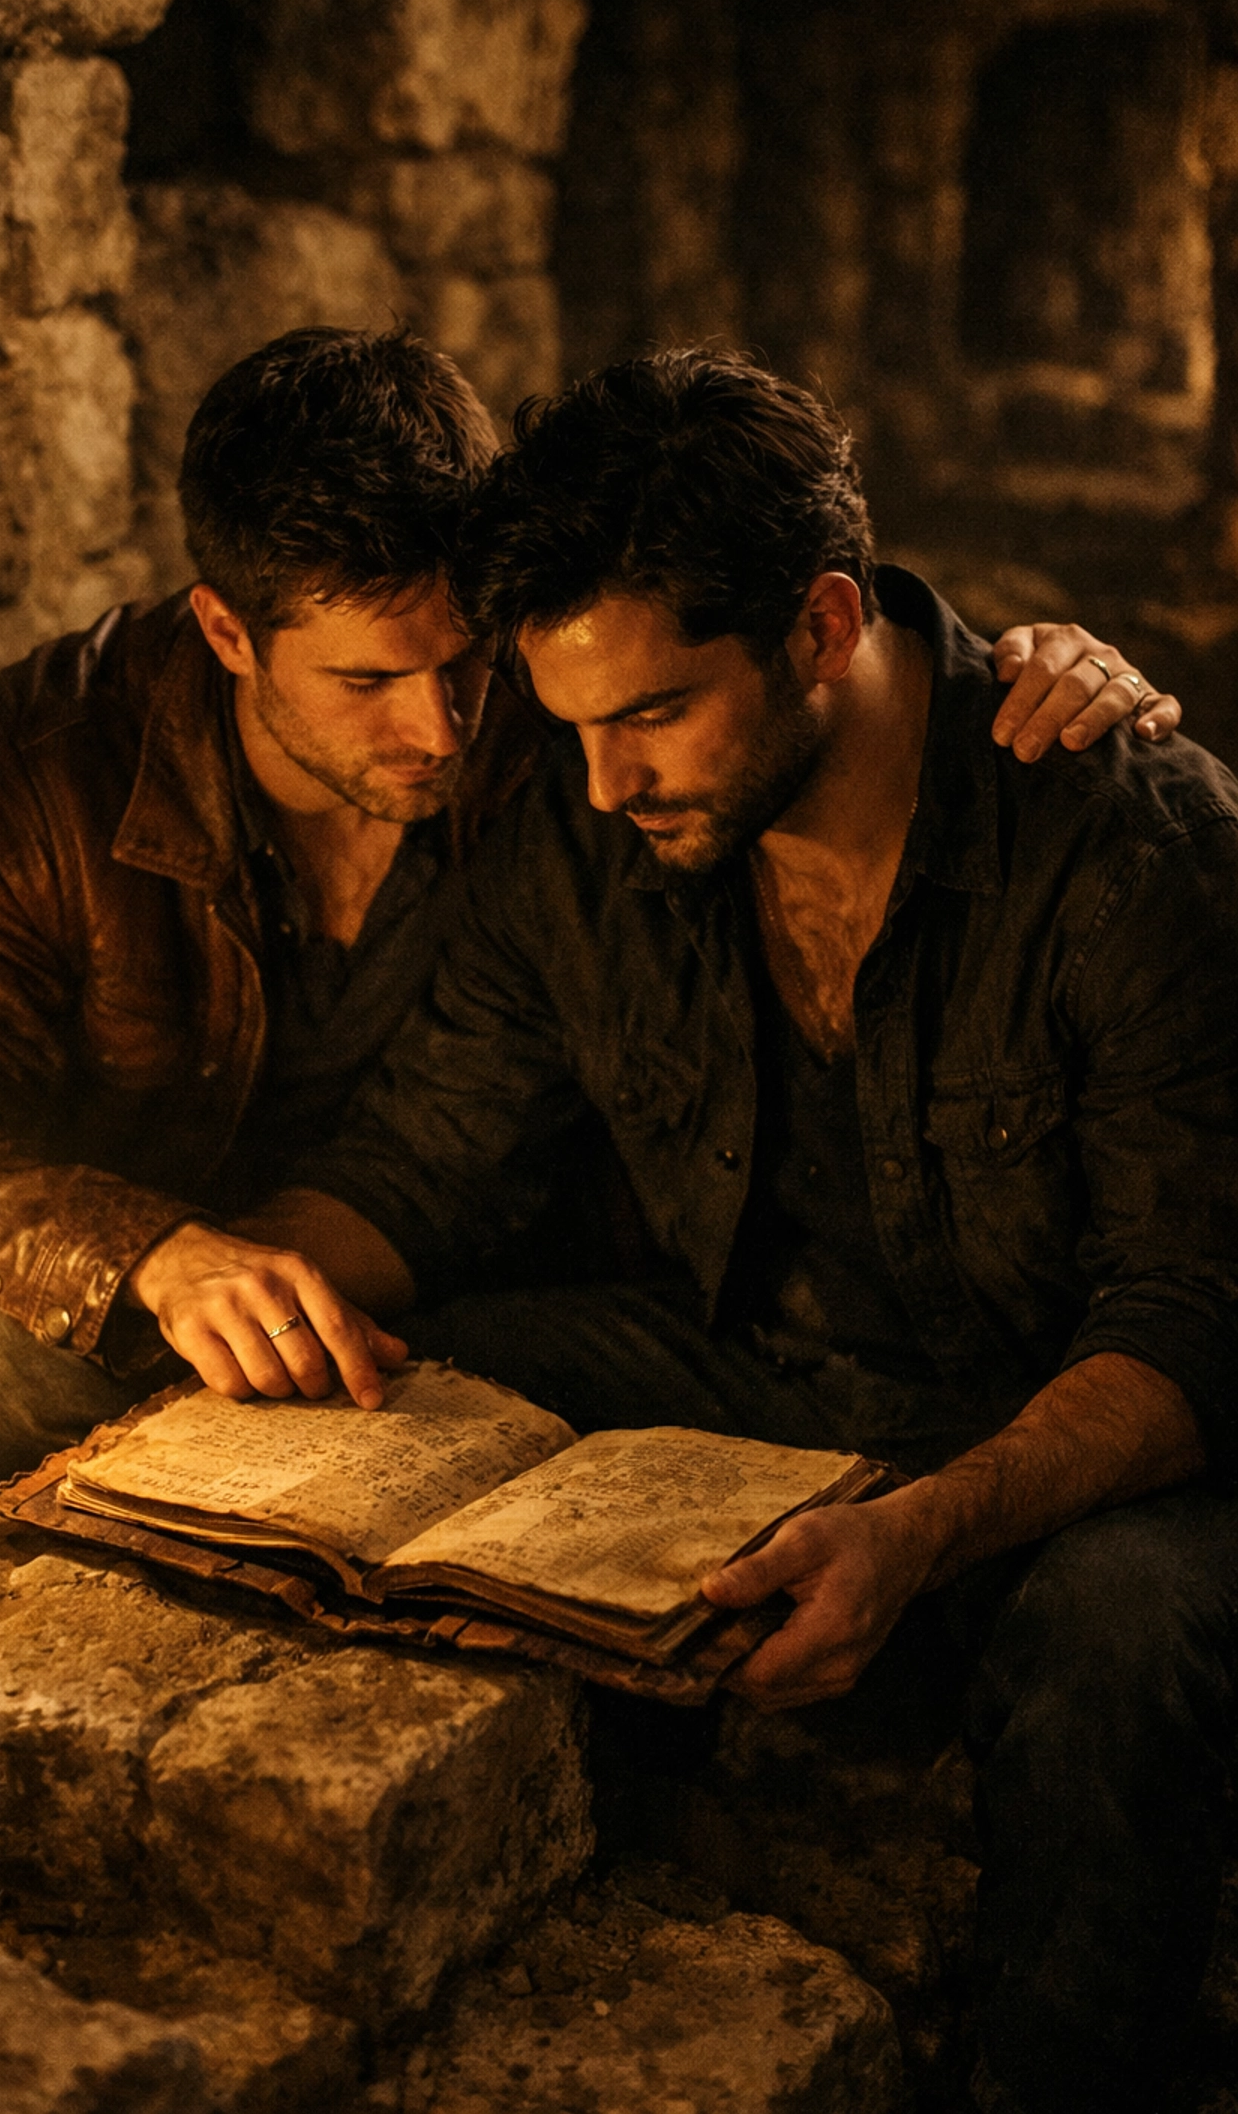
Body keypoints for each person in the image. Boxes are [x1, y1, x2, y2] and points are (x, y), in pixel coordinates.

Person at [212, 353, 1237, 2114]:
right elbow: (434, 1147)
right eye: (574, 721)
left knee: (1122, 1639)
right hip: (777, 1379)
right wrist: (223, 1282)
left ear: (822, 628)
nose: (606, 785)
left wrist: (921, 1535)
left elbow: (1196, 1314)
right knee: (392, 1396)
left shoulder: (1119, 841)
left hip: (1081, 1440)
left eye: (656, 716)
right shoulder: (587, 820)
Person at [0, 327, 1168, 1489]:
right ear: (228, 636)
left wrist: (1007, 661)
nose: (442, 725)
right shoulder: (46, 767)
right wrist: (148, 1255)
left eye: (471, 656)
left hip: (493, 1261)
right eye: (367, 682)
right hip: (172, 1269)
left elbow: (747, 622)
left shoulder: (557, 720)